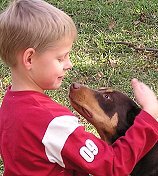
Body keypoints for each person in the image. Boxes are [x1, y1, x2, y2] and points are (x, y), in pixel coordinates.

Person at [0, 0, 157, 176]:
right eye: (61, 58)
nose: (69, 64)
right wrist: (149, 117)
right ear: (29, 59)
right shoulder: (53, 123)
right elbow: (112, 165)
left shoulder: (9, 105)